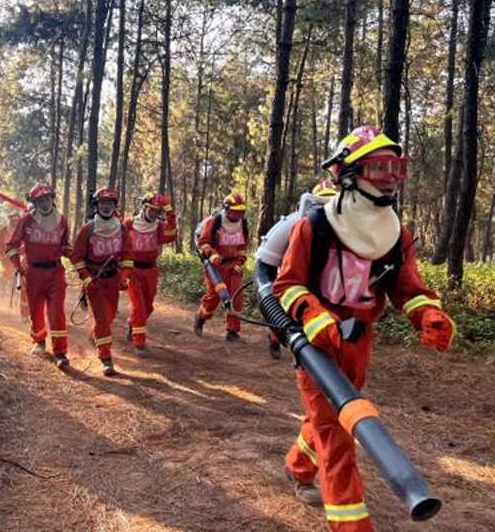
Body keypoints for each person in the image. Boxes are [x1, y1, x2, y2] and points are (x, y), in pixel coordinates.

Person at [273, 126, 454, 530]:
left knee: (329, 418)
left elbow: (408, 287)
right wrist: (312, 315)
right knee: (339, 432)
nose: (391, 176)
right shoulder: (315, 228)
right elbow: (286, 285)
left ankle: (298, 466)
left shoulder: (394, 235)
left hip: (359, 340)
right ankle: (351, 524)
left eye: (396, 167)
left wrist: (427, 314)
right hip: (316, 344)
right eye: (379, 167)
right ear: (350, 174)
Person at [255, 181, 339, 358]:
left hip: (323, 284)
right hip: (290, 279)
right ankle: (275, 340)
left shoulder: (346, 228)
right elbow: (268, 259)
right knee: (281, 313)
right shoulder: (297, 224)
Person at [6, 182, 71, 368]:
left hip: (55, 272)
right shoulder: (26, 221)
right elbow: (12, 246)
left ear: (53, 198)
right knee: (35, 311)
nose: (44, 202)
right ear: (35, 202)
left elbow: (66, 245)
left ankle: (60, 353)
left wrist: (72, 254)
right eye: (40, 199)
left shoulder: (62, 220)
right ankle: (40, 341)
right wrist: (18, 266)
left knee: (56, 312)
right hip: (33, 272)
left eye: (47, 198)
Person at [71, 186, 133, 376]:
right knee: (103, 319)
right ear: (96, 206)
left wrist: (124, 276)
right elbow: (76, 257)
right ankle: (106, 358)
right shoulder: (88, 229)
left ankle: (94, 336)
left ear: (115, 206)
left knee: (110, 315)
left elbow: (128, 255)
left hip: (112, 279)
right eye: (102, 203)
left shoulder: (121, 229)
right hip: (95, 281)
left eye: (110, 203)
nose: (106, 207)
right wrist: (86, 277)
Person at [123, 193, 178, 355]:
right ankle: (139, 342)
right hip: (132, 270)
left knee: (148, 306)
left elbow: (171, 236)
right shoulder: (129, 224)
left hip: (151, 270)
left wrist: (170, 212)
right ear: (144, 207)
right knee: (138, 306)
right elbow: (118, 242)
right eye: (151, 210)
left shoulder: (159, 226)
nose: (154, 213)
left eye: (157, 211)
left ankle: (133, 324)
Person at [193, 192, 250, 342]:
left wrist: (241, 261)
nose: (238, 214)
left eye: (241, 211)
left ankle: (232, 332)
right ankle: (201, 316)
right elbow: (203, 242)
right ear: (227, 209)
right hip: (215, 267)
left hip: (233, 267)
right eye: (235, 211)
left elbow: (243, 246)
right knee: (213, 299)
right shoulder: (214, 222)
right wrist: (211, 253)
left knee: (236, 298)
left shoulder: (242, 224)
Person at [0, 213, 29, 318]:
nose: (15, 222)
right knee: (9, 270)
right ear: (9, 221)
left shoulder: (22, 231)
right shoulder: (3, 231)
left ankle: (20, 291)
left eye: (16, 221)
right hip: (6, 257)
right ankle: (2, 287)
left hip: (19, 257)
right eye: (13, 220)